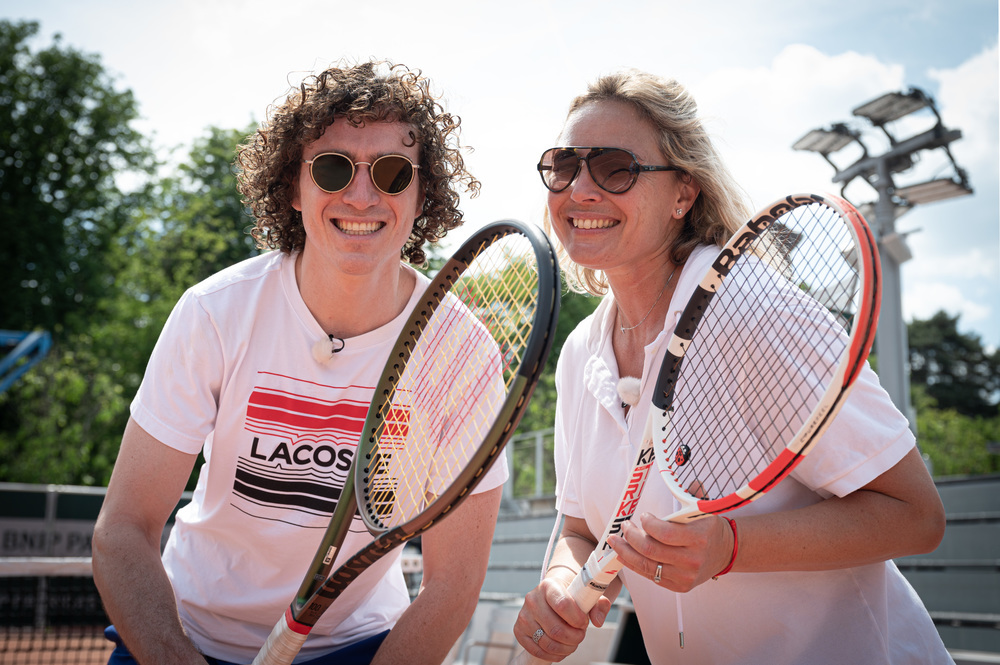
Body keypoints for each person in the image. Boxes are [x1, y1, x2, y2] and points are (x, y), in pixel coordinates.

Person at [513, 69, 952, 664]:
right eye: (564, 166)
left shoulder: (757, 312)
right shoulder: (579, 352)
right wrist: (562, 587)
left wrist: (730, 545)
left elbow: (915, 515)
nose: (581, 189)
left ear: (683, 193)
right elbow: (582, 529)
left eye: (615, 167)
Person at [92, 60, 504, 665]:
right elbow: (123, 528)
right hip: (185, 634)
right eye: (333, 167)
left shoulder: (462, 351)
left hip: (355, 645)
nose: (361, 195)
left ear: (423, 195)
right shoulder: (215, 312)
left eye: (392, 172)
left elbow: (453, 585)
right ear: (293, 187)